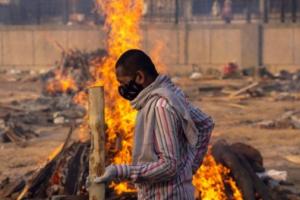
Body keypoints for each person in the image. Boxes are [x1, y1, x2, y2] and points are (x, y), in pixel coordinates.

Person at [92, 49, 214, 199]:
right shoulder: (171, 93)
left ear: (140, 77)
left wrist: (120, 171)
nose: (122, 90)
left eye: (123, 83)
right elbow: (205, 124)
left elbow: (169, 165)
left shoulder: (160, 106)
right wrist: (189, 167)